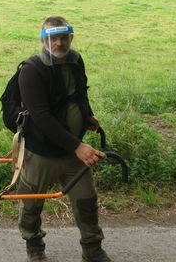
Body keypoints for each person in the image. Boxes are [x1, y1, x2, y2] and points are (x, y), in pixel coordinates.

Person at [17, 16, 111, 262]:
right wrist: (77, 146)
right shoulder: (31, 70)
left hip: (74, 153)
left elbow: (81, 92)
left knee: (87, 202)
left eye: (64, 37)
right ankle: (34, 248)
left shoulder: (76, 60)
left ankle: (93, 250)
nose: (59, 43)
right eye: (53, 38)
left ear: (70, 37)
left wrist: (88, 115)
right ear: (43, 40)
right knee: (31, 205)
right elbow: (41, 117)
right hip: (42, 153)